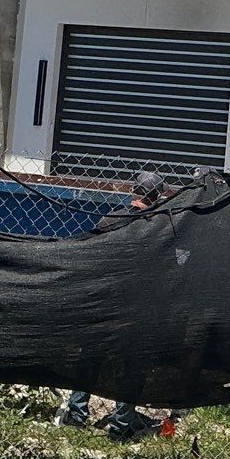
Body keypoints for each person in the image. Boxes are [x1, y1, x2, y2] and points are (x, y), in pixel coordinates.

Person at [58, 172, 167, 435]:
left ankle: (77, 414)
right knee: (133, 365)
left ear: (134, 191)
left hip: (106, 301)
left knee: (91, 357)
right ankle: (122, 423)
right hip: (137, 307)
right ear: (158, 195)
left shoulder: (111, 220)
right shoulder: (159, 225)